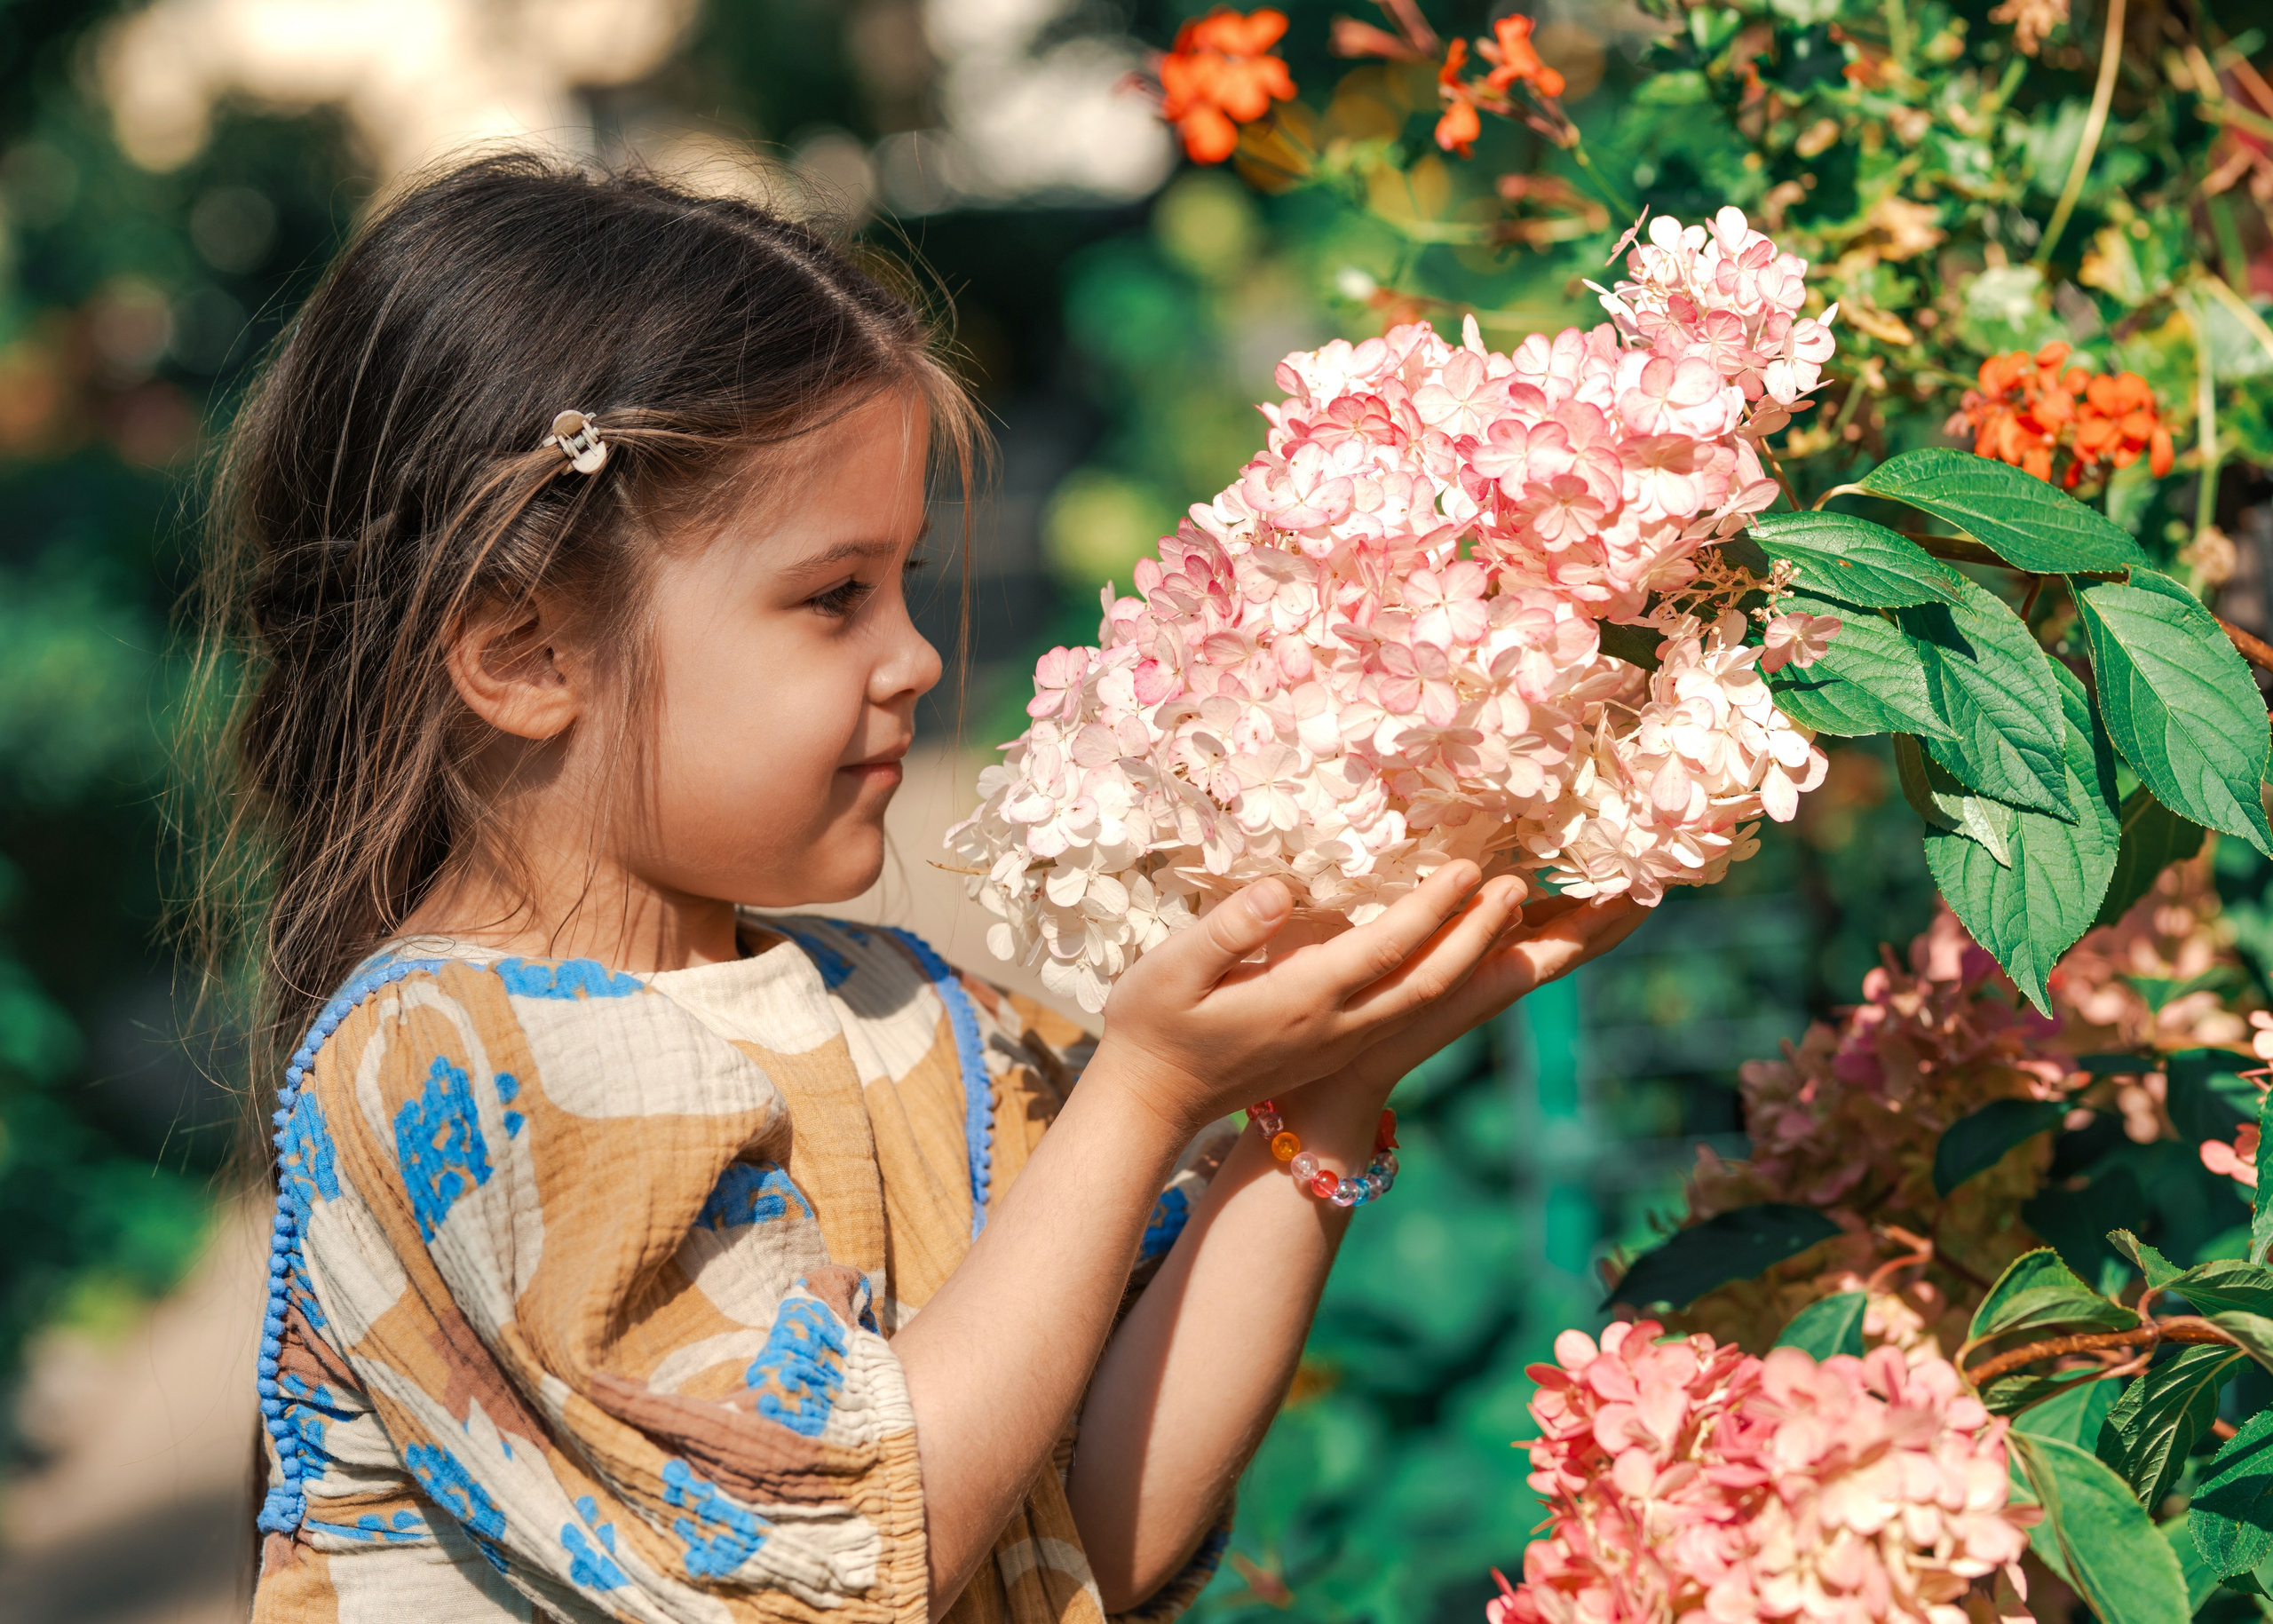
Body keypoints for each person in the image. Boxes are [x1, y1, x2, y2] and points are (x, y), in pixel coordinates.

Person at [186, 153, 1642, 1624]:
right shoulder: (454, 1067)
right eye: (832, 598)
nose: (917, 658)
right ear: (524, 652)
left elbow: (1085, 1542)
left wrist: (1331, 1089)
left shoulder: (914, 1015)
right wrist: (1141, 1093)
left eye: (903, 581)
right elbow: (845, 1566)